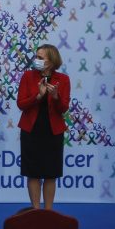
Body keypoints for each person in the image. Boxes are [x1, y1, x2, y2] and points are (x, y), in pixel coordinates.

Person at [17, 44, 71, 210]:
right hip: (31, 130)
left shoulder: (63, 79)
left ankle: (48, 212)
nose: (36, 60)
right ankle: (35, 210)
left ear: (51, 61)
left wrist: (55, 96)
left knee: (50, 174)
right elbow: (21, 104)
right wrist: (38, 96)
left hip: (52, 131)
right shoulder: (28, 76)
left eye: (40, 58)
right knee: (32, 173)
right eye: (37, 56)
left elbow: (63, 108)